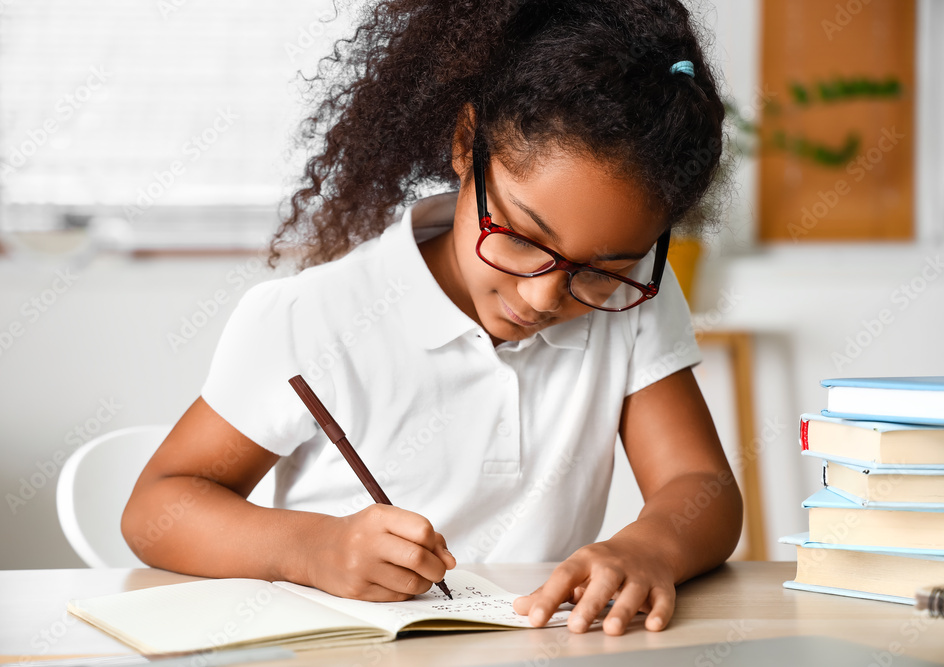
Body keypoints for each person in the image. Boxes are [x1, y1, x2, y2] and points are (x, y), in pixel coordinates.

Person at [122, 0, 742, 637]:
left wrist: (650, 547)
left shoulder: (628, 297)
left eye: (598, 269)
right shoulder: (314, 317)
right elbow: (156, 508)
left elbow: (700, 486)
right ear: (465, 142)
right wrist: (312, 550)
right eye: (524, 238)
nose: (543, 299)